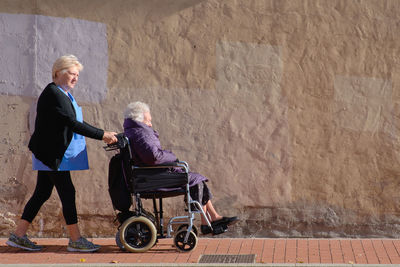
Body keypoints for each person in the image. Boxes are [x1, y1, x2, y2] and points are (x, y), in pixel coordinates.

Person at [6, 55, 118, 252]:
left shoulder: (62, 93)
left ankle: (18, 235)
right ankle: (76, 240)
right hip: (51, 155)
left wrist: (103, 133)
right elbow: (72, 123)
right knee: (67, 192)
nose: (75, 78)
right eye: (72, 73)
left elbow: (73, 123)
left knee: (42, 193)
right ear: (58, 73)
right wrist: (102, 135)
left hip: (50, 153)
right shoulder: (54, 94)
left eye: (77, 74)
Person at [123, 101, 238, 235]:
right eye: (148, 121)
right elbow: (153, 157)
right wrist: (171, 155)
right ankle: (208, 221)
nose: (150, 124)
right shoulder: (141, 133)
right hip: (151, 178)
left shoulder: (135, 131)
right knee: (195, 180)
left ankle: (211, 219)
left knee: (196, 179)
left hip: (149, 176)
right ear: (140, 120)